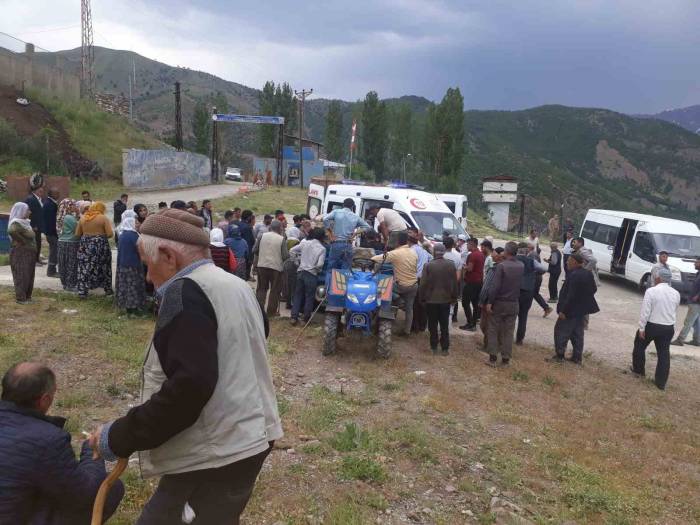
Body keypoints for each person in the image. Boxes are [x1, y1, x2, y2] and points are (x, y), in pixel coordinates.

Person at [89, 209, 282, 524]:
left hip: (217, 452)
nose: (148, 278)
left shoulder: (185, 292)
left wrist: (119, 436)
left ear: (167, 256)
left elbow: (189, 387)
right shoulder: (237, 285)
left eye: (146, 265)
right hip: (251, 437)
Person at [0, 363, 124, 523]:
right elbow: (86, 495)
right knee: (111, 488)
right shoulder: (48, 439)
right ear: (45, 400)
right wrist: (92, 449)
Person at [631, 268, 680, 390]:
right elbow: (674, 310)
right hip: (668, 327)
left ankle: (639, 371)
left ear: (658, 278)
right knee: (664, 354)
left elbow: (645, 311)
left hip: (652, 325)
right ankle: (661, 383)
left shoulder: (651, 291)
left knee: (639, 346)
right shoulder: (676, 293)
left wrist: (642, 327)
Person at [551, 253, 600, 364]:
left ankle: (559, 356)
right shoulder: (587, 273)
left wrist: (564, 311)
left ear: (575, 262)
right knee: (577, 334)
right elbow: (593, 289)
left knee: (561, 331)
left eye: (569, 260)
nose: (567, 262)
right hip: (581, 310)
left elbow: (570, 296)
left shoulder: (574, 275)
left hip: (570, 310)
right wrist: (582, 300)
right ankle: (577, 358)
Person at [372, 231, 418, 336]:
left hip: (401, 286)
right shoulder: (413, 252)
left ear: (396, 242)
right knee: (409, 309)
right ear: (406, 241)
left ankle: (397, 300)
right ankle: (407, 331)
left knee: (380, 289)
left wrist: (369, 257)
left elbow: (377, 259)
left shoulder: (395, 253)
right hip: (414, 285)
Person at [485, 241, 524, 366]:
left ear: (506, 252)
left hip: (500, 302)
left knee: (493, 328)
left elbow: (495, 287)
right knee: (508, 331)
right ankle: (506, 359)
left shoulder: (502, 266)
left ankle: (492, 357)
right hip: (513, 302)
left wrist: (490, 302)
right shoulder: (521, 265)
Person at [419, 243, 460, 355]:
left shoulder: (428, 265)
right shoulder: (451, 265)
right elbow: (455, 283)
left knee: (432, 325)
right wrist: (454, 297)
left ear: (434, 252)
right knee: (444, 325)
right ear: (444, 252)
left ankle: (434, 347)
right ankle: (445, 348)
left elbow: (423, 284)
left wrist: (421, 298)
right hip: (445, 300)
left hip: (431, 300)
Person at [75, 201, 114, 298]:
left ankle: (82, 292)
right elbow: (110, 234)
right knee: (104, 266)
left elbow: (77, 234)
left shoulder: (83, 218)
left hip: (85, 246)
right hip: (100, 245)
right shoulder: (103, 218)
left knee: (84, 267)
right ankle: (107, 289)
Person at [289, 227, 327, 325]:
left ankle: (293, 317)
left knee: (298, 295)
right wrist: (317, 269)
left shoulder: (304, 243)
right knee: (309, 297)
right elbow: (320, 264)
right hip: (311, 274)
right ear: (322, 237)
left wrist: (296, 262)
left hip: (301, 272)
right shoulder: (322, 249)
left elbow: (292, 250)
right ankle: (305, 319)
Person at [323, 198, 371, 270]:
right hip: (348, 245)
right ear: (352, 207)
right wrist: (355, 233)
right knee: (345, 270)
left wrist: (330, 232)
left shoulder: (336, 212)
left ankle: (330, 281)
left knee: (331, 268)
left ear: (343, 205)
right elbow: (368, 227)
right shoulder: (355, 217)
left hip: (336, 243)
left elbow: (325, 219)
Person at [255, 220, 289, 316]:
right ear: (279, 228)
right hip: (276, 268)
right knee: (275, 290)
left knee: (261, 288)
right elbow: (285, 256)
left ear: (270, 227)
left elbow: (255, 250)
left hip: (262, 265)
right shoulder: (281, 239)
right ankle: (271, 312)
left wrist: (262, 255)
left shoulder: (262, 236)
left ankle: (259, 311)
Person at [516, 243, 547, 345]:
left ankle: (505, 336)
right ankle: (520, 339)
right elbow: (543, 269)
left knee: (510, 315)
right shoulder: (531, 261)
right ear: (526, 251)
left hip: (515, 291)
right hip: (528, 291)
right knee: (523, 316)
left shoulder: (513, 259)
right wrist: (533, 273)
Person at [116, 210, 147, 314]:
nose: (138, 224)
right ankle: (134, 308)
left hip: (123, 265)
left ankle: (127, 306)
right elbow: (141, 251)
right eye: (136, 222)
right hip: (134, 265)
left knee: (126, 286)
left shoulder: (122, 234)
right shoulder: (135, 236)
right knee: (133, 286)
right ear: (131, 223)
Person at [7, 202, 36, 304]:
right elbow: (11, 231)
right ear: (21, 211)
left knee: (29, 274)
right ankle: (21, 298)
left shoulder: (25, 222)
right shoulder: (16, 222)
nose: (30, 212)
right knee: (21, 274)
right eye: (28, 210)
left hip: (28, 253)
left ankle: (27, 296)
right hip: (21, 253)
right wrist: (22, 241)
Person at [478, 247, 505, 348]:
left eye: (493, 253)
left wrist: (481, 301)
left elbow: (486, 287)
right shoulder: (506, 268)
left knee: (485, 325)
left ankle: (488, 346)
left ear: (498, 256)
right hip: (501, 302)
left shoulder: (494, 269)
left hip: (489, 301)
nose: (492, 255)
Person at [671, 257, 700, 346]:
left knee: (689, 321)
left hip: (696, 302)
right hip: (694, 301)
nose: (694, 264)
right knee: (696, 322)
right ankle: (697, 340)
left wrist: (697, 296)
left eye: (697, 262)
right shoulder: (698, 273)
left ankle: (680, 339)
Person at [409, 231, 433, 333]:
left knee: (414, 304)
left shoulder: (411, 250)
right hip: (425, 280)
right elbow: (431, 259)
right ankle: (422, 326)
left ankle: (414, 327)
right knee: (422, 304)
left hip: (416, 279)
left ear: (409, 241)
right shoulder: (424, 251)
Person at [460, 237, 485, 332]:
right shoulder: (481, 254)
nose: (467, 246)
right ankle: (473, 323)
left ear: (472, 244)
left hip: (471, 282)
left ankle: (470, 322)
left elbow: (470, 269)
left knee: (465, 302)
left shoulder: (473, 255)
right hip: (479, 281)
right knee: (475, 303)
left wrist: (464, 267)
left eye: (468, 244)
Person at [57, 199, 79, 292]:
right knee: (71, 264)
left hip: (61, 241)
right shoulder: (69, 218)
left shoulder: (60, 216)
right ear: (69, 206)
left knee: (63, 263)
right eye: (74, 205)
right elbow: (78, 230)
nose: (76, 206)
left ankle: (65, 283)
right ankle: (70, 284)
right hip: (71, 243)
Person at [528, 242, 553, 318]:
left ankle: (546, 308)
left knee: (531, 293)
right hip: (537, 276)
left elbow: (535, 266)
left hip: (536, 277)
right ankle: (546, 308)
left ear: (529, 248)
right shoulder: (534, 253)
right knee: (534, 293)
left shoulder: (532, 255)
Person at [443, 237, 463, 322]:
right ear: (453, 245)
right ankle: (452, 320)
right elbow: (458, 276)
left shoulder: (440, 255)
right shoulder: (458, 256)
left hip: (439, 285)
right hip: (452, 285)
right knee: (451, 308)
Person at [24, 185, 44, 265]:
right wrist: (33, 225)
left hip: (39, 225)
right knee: (34, 243)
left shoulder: (39, 199)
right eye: (40, 191)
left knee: (38, 242)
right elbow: (29, 213)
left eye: (42, 191)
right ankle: (34, 260)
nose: (41, 192)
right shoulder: (31, 199)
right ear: (35, 191)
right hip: (34, 225)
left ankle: (37, 258)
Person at [43, 187, 59, 277]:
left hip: (50, 232)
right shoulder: (50, 204)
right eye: (57, 193)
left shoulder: (50, 203)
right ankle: (51, 271)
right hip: (51, 233)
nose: (59, 195)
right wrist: (55, 233)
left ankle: (52, 270)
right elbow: (51, 221)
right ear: (52, 194)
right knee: (54, 252)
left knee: (53, 251)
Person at [240, 210, 257, 280]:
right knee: (247, 266)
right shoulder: (247, 227)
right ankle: (246, 277)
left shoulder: (240, 224)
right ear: (248, 217)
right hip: (246, 251)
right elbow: (248, 242)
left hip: (240, 250)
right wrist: (250, 255)